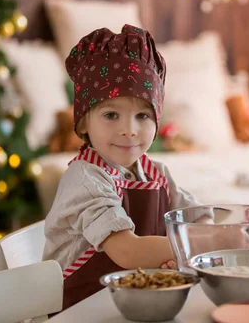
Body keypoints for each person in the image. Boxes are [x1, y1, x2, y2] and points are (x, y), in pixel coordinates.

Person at [42, 24, 203, 310]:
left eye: (143, 115)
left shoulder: (157, 173)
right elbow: (128, 251)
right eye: (111, 114)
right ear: (82, 123)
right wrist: (200, 247)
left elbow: (195, 218)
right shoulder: (85, 178)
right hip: (78, 309)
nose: (129, 130)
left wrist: (202, 232)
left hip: (128, 303)